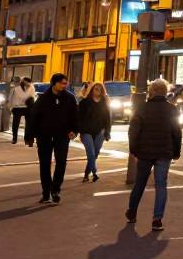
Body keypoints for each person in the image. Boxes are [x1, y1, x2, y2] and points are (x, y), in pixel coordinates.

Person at [127, 78, 181, 232]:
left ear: (150, 91)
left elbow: (133, 131)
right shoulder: (172, 109)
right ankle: (157, 219)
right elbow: (176, 133)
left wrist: (134, 150)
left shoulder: (142, 108)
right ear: (166, 92)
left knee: (140, 183)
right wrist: (176, 152)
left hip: (144, 152)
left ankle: (132, 213)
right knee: (161, 184)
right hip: (164, 152)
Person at [25, 73, 79, 204]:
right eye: (61, 83)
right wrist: (29, 136)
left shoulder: (70, 99)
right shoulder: (43, 99)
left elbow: (75, 117)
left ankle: (56, 190)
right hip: (44, 135)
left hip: (62, 135)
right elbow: (34, 118)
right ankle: (46, 192)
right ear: (54, 83)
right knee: (45, 163)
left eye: (65, 83)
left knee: (61, 162)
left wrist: (75, 131)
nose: (64, 85)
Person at [77, 82, 112, 183]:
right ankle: (94, 173)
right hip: (86, 131)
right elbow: (79, 117)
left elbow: (108, 119)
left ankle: (86, 174)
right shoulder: (84, 102)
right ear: (92, 90)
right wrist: (80, 129)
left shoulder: (105, 103)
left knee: (95, 154)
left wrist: (107, 132)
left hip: (99, 132)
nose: (98, 91)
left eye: (100, 90)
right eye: (96, 89)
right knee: (90, 153)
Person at [9, 78, 36, 145]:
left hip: (27, 108)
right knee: (15, 123)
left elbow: (32, 97)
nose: (28, 84)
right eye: (26, 82)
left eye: (29, 83)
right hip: (18, 107)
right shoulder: (17, 87)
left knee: (28, 124)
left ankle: (27, 139)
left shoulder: (31, 88)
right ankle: (14, 138)